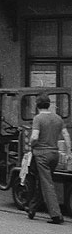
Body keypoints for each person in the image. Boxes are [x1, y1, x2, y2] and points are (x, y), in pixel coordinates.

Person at [27, 93, 71, 224]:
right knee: (44, 181)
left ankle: (56, 215)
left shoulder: (38, 118)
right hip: (54, 155)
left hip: (41, 155)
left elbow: (35, 137)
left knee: (47, 184)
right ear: (49, 104)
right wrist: (69, 151)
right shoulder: (58, 118)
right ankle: (32, 208)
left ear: (37, 105)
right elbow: (66, 135)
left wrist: (31, 144)